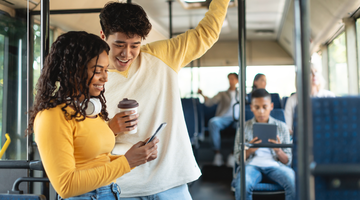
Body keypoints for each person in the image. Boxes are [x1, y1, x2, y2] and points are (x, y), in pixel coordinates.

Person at [99, 0, 230, 198]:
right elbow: (84, 137)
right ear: (103, 36)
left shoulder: (162, 56)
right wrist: (110, 129)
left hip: (168, 180)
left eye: (135, 45)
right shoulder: (90, 78)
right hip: (121, 185)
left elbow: (206, 33)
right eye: (119, 45)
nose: (127, 54)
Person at [26, 31, 159, 199]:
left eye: (106, 70)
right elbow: (66, 185)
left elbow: (97, 161)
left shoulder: (91, 111)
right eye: (97, 71)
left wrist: (134, 157)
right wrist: (127, 162)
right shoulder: (51, 117)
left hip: (109, 192)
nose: (105, 78)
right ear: (73, 71)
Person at [233, 89, 294, 200]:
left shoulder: (282, 127)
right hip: (252, 166)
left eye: (264, 107)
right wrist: (250, 149)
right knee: (243, 185)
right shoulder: (243, 128)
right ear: (251, 107)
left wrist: (278, 150)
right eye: (257, 107)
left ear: (271, 106)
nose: (261, 111)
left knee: (293, 182)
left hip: (276, 166)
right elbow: (238, 160)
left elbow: (287, 161)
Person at [198, 73, 239, 167]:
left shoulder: (241, 94)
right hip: (223, 118)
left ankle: (233, 154)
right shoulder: (222, 94)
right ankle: (217, 154)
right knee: (213, 122)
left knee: (242, 125)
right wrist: (202, 94)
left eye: (232, 79)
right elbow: (210, 102)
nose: (230, 81)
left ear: (237, 81)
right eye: (229, 79)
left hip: (236, 119)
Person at [284, 64, 335, 133]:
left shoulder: (329, 96)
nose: (314, 75)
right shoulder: (292, 100)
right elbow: (288, 129)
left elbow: (334, 123)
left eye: (316, 72)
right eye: (310, 72)